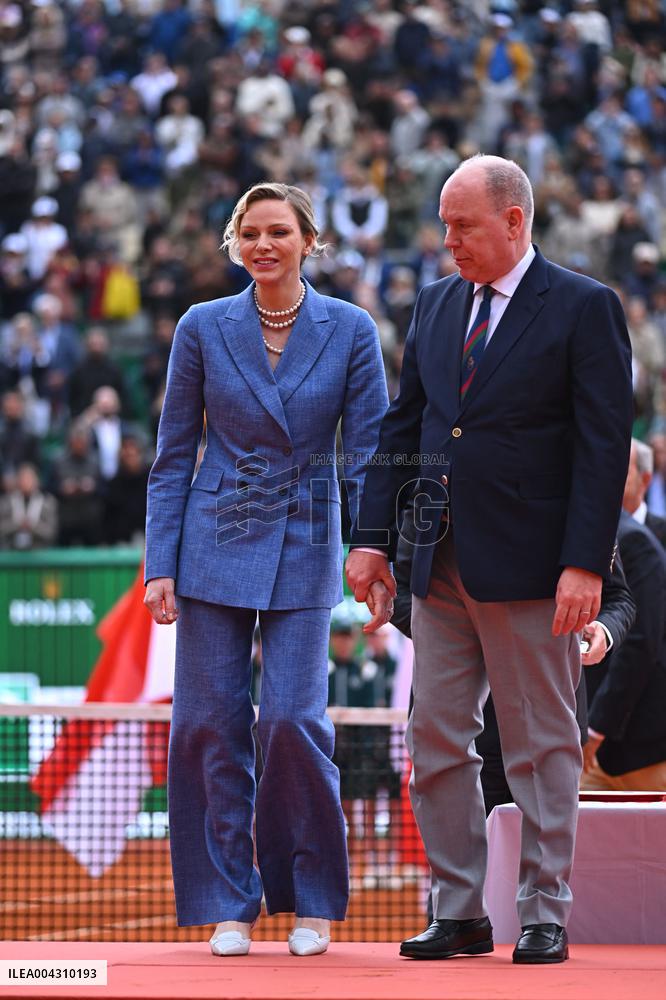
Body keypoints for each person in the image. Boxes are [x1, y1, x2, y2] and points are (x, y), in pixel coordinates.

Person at [346, 155, 633, 964]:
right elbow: (403, 427)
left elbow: (604, 445)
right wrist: (371, 538)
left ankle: (543, 912)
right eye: (445, 225)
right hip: (436, 564)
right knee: (435, 739)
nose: (448, 241)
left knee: (541, 744)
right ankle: (460, 910)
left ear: (514, 221)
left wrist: (585, 563)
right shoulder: (436, 304)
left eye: (463, 225)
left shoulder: (584, 306)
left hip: (535, 569)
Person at [143, 183, 391, 958]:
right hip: (210, 543)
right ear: (234, 242)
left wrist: (373, 546)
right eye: (249, 233)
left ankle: (312, 899)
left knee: (292, 720)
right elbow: (173, 453)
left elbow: (367, 452)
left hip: (308, 539)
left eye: (278, 232)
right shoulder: (201, 326)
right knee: (208, 725)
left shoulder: (351, 328)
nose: (263, 245)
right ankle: (228, 902)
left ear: (309, 241)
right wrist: (159, 562)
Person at [392, 498, 635, 817]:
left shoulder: (575, 500)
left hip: (552, 716)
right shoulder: (436, 495)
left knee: (551, 834)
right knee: (463, 835)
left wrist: (602, 629)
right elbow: (400, 591)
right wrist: (463, 636)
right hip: (465, 725)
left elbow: (618, 597)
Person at [582, 509, 666, 791]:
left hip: (641, 748)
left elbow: (639, 643)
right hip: (600, 742)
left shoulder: (634, 540)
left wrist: (595, 729)